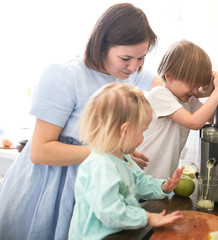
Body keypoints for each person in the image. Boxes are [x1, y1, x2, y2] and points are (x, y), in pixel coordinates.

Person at [0, 3, 162, 240]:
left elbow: (164, 88)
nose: (134, 66)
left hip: (94, 183)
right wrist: (109, 152)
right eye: (126, 58)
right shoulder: (65, 75)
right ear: (101, 43)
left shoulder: (123, 73)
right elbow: (40, 151)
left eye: (141, 58)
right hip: (51, 189)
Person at [68, 82, 184, 239]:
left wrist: (163, 186)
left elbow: (139, 183)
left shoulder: (124, 157)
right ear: (124, 130)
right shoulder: (100, 165)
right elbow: (110, 212)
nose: (143, 137)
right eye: (143, 131)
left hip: (121, 232)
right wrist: (148, 218)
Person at [137, 40, 218, 179]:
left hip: (161, 180)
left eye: (198, 86)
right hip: (143, 175)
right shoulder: (159, 94)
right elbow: (195, 123)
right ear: (170, 76)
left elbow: (212, 118)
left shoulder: (188, 100)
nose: (195, 91)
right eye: (192, 85)